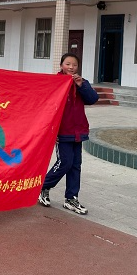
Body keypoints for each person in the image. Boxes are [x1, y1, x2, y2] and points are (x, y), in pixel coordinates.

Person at [38, 53, 99, 215]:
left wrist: (81, 85)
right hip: (62, 131)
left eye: (74, 65)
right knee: (65, 162)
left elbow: (93, 99)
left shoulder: (81, 82)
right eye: (68, 64)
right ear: (61, 65)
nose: (71, 67)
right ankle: (43, 187)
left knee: (75, 165)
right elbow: (47, 106)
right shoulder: (55, 83)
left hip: (78, 131)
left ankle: (71, 198)